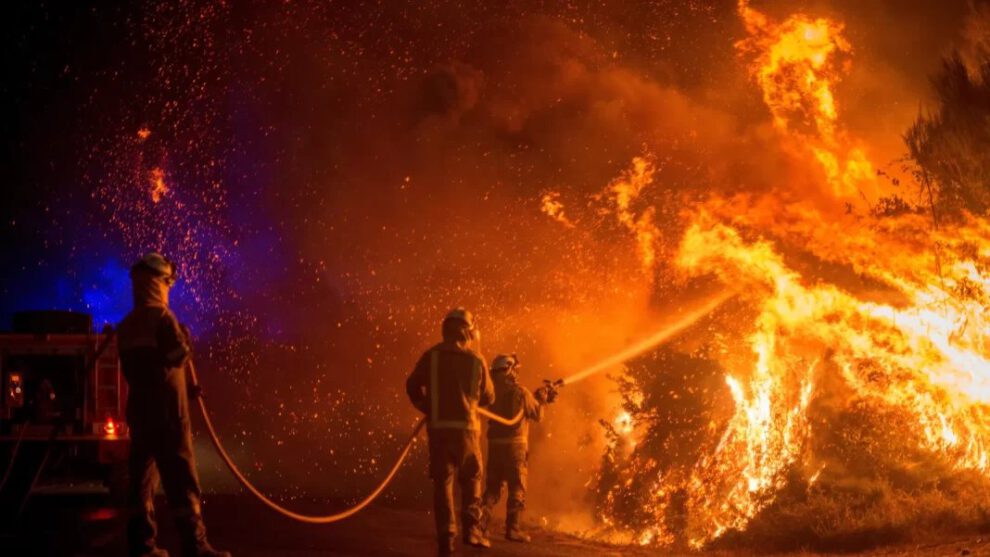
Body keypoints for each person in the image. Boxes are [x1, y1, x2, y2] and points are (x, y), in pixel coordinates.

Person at [116, 252, 230, 557]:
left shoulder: (127, 325)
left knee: (142, 482)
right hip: (168, 415)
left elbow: (148, 369)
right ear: (159, 282)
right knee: (181, 479)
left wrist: (186, 387)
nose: (169, 288)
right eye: (167, 282)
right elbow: (176, 356)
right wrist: (186, 340)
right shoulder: (163, 319)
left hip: (141, 414)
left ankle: (142, 546)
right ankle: (196, 546)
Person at [406, 308, 495, 556]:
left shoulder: (431, 356)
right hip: (467, 432)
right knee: (472, 479)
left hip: (439, 433)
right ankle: (472, 531)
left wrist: (426, 406)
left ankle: (446, 538)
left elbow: (412, 386)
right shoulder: (477, 360)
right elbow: (489, 396)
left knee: (443, 484)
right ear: (468, 332)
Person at [481, 354, 551, 543]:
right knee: (517, 487)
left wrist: (536, 398)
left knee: (492, 489)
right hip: (515, 448)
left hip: (495, 447)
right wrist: (542, 400)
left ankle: (479, 526)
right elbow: (537, 415)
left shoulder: (490, 392)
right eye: (514, 370)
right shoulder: (521, 392)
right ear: (509, 370)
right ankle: (513, 529)